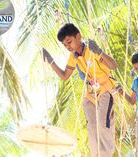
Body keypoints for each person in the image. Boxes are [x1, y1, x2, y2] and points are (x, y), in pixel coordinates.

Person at [43, 23, 122, 157]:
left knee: (104, 123)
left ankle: (105, 154)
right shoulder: (73, 57)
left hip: (105, 90)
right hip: (91, 93)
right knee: (92, 126)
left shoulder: (92, 50)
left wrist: (99, 51)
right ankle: (95, 154)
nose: (68, 46)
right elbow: (64, 76)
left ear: (78, 36)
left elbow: (113, 66)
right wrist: (50, 61)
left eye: (69, 42)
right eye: (65, 45)